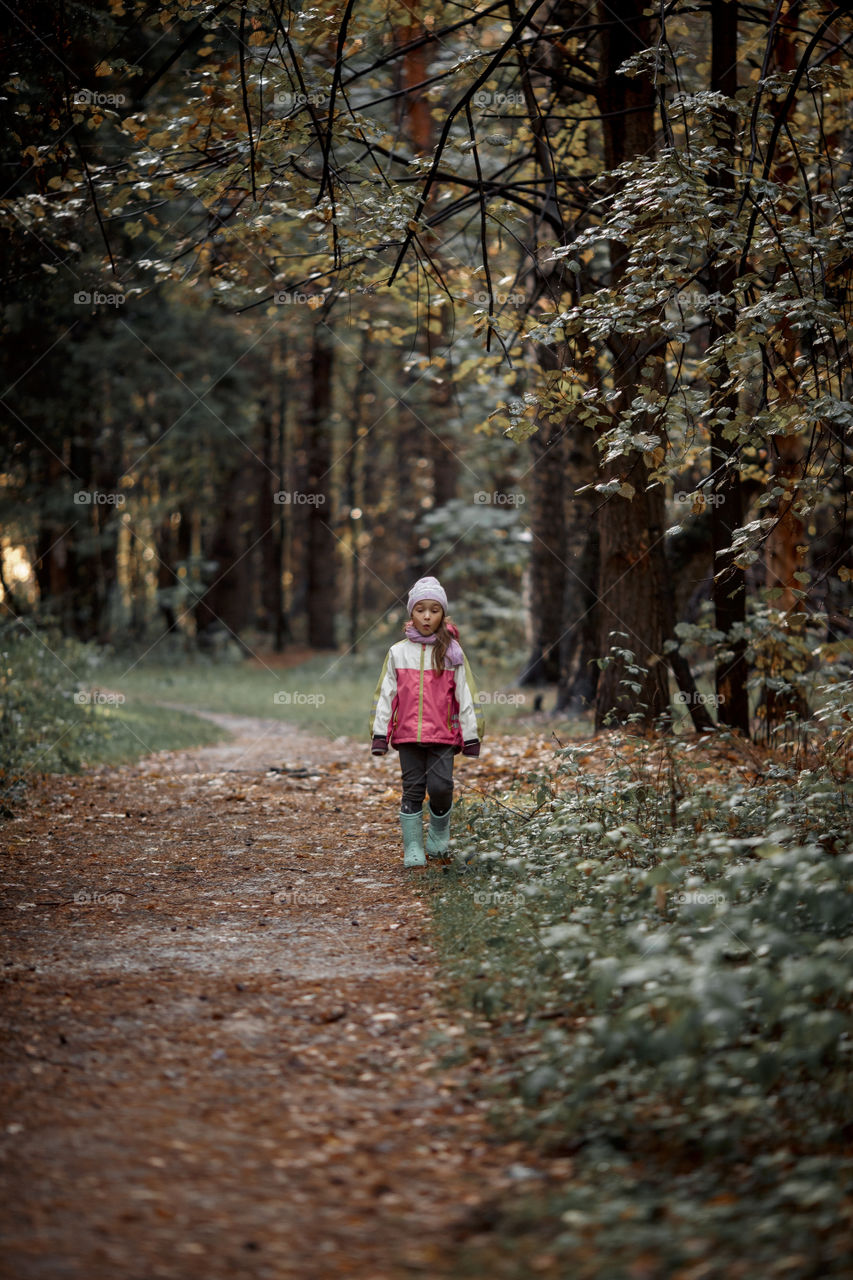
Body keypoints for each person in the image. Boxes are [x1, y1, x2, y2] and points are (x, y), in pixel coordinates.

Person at [370, 576, 483, 867]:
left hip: (443, 736)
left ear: (443, 614)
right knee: (413, 789)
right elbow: (386, 695)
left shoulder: (452, 653)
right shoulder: (397, 652)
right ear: (412, 613)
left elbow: (466, 694)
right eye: (421, 609)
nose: (427, 616)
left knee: (442, 787)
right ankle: (413, 848)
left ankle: (439, 830)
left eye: (434, 609)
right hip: (407, 735)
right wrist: (379, 734)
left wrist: (471, 736)